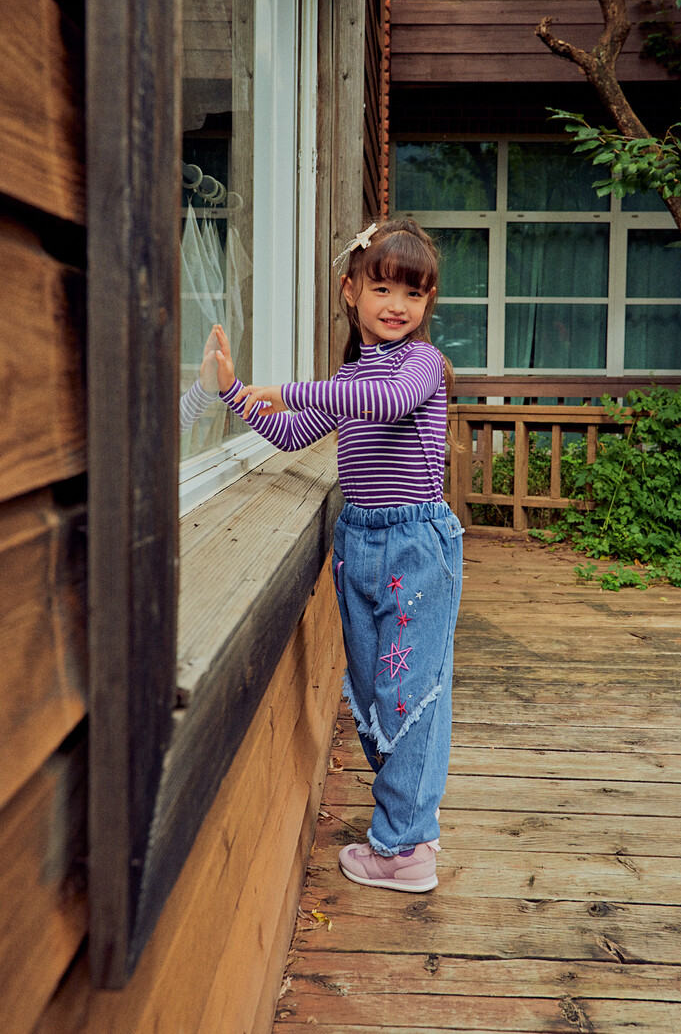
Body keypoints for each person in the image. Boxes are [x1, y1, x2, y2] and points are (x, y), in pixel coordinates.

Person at [181, 219, 463, 893]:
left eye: (413, 293)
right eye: (382, 287)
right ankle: (410, 821)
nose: (397, 305)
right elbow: (290, 432)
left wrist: (290, 388)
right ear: (349, 290)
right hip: (359, 542)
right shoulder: (350, 376)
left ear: (427, 302)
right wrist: (234, 391)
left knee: (411, 694)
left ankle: (404, 848)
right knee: (373, 691)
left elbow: (384, 401)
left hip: (416, 547)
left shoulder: (420, 365)